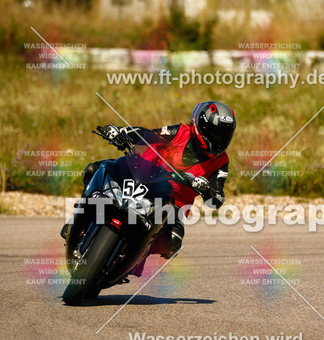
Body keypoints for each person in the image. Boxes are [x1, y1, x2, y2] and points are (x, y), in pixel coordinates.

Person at [67, 101, 235, 263]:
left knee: (172, 244)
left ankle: (129, 259)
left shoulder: (221, 162)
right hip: (145, 176)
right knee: (95, 169)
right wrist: (121, 131)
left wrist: (206, 189)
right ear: (201, 127)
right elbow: (148, 134)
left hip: (173, 203)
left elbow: (217, 200)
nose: (220, 139)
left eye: (225, 134)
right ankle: (79, 218)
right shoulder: (180, 132)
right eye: (216, 133)